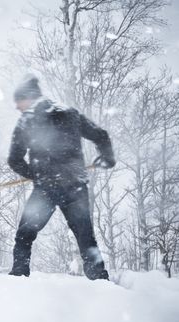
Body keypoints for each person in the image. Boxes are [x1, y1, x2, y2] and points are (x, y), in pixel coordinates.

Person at [7, 75, 115, 280]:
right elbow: (101, 135)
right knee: (85, 237)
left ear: (28, 98)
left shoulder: (27, 120)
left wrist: (36, 174)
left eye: (18, 101)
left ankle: (18, 279)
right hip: (75, 184)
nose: (17, 107)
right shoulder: (70, 113)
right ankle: (100, 280)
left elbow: (14, 160)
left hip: (46, 189)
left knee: (24, 235)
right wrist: (108, 158)